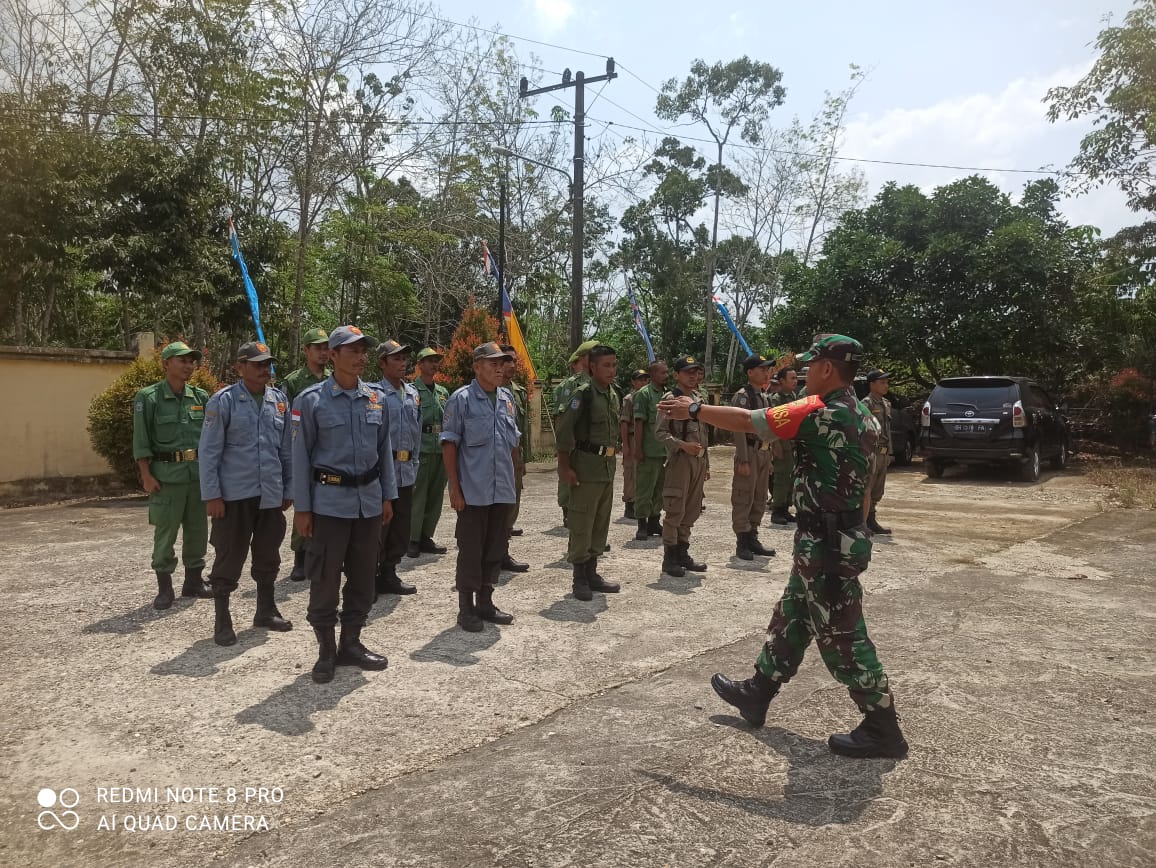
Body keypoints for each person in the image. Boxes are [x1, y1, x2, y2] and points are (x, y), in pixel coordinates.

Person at [658, 334, 907, 759]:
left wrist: (696, 408)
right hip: (834, 536)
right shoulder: (864, 414)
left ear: (827, 369)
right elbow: (864, 486)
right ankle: (759, 690)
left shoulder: (819, 409)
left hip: (827, 542)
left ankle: (882, 726)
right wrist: (858, 531)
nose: (804, 373)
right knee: (794, 613)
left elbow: (752, 420)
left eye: (811, 366)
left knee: (842, 634)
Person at [292, 325, 397, 684]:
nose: (360, 356)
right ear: (333, 356)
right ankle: (326, 650)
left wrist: (387, 496)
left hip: (367, 504)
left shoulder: (376, 399)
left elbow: (383, 451)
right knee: (324, 578)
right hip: (329, 505)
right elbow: (300, 458)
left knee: (364, 577)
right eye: (351, 350)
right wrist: (302, 510)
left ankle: (351, 643)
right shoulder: (310, 400)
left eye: (363, 350)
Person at [198, 341, 294, 646]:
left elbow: (286, 450)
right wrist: (212, 495)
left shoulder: (278, 400)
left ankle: (265, 610)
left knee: (268, 553)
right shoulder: (223, 401)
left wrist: (288, 488)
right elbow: (209, 452)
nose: (264, 369)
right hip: (234, 495)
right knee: (229, 555)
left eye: (267, 364)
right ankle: (222, 619)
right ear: (240, 367)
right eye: (257, 364)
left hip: (269, 494)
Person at [440, 342, 520, 632]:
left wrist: (515, 480)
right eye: (493, 363)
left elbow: (513, 445)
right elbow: (449, 445)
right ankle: (466, 608)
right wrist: (454, 489)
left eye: (503, 363)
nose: (500, 368)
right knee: (471, 550)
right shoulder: (461, 400)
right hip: (473, 492)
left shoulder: (507, 399)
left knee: (495, 548)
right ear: (477, 367)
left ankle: (486, 602)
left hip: (502, 489)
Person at [132, 340, 213, 610]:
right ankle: (164, 588)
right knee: (165, 534)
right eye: (183, 360)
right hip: (166, 477)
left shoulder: (200, 397)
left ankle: (193, 581)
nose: (189, 365)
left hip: (196, 476)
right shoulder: (149, 397)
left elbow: (211, 440)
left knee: (197, 531)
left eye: (192, 361)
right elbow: (141, 439)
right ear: (166, 364)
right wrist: (146, 474)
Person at [555, 345, 622, 601]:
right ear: (592, 367)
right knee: (582, 523)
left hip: (606, 468)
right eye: (606, 365)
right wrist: (564, 467)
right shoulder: (583, 394)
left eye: (614, 365)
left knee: (600, 523)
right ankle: (579, 578)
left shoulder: (613, 394)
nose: (612, 370)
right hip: (585, 466)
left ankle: (593, 573)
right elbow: (564, 432)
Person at [280, 327, 331, 581]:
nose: (323, 352)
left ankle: (324, 555)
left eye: (326, 347)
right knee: (304, 502)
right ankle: (300, 557)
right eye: (317, 347)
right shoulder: (293, 382)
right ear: (306, 350)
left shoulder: (335, 377)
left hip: (330, 451)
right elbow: (287, 420)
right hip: (303, 449)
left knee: (328, 506)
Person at [655, 355, 710, 578]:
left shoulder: (698, 399)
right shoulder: (671, 398)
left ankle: (683, 552)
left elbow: (705, 434)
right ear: (676, 375)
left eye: (695, 371)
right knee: (675, 509)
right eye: (688, 372)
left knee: (692, 509)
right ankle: (670, 558)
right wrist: (682, 445)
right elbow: (659, 433)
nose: (693, 376)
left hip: (698, 460)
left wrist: (707, 464)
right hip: (679, 460)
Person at [375, 340, 421, 596]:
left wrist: (415, 465)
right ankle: (370, 575)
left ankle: (390, 572)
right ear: (382, 363)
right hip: (384, 470)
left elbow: (416, 432)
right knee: (380, 526)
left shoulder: (413, 394)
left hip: (406, 470)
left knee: (401, 526)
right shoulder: (375, 394)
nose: (402, 363)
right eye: (396, 359)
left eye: (404, 358)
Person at [730, 354, 777, 561]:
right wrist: (743, 459)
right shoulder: (743, 396)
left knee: (759, 496)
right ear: (750, 372)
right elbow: (738, 427)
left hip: (763, 450)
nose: (767, 372)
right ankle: (742, 542)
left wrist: (771, 457)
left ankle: (753, 537)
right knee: (744, 496)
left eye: (768, 369)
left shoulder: (765, 396)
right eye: (762, 369)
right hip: (749, 450)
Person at [407, 348, 450, 559]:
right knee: (418, 495)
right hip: (421, 448)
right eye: (429, 361)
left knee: (435, 495)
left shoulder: (442, 392)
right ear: (420, 364)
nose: (434, 364)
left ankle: (426, 536)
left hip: (440, 448)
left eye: (436, 361)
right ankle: (412, 538)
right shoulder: (412, 391)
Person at [551, 339, 599, 527]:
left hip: (595, 446)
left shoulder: (602, 382)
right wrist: (565, 447)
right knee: (570, 480)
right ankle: (569, 513)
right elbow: (563, 420)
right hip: (574, 444)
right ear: (583, 359)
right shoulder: (570, 385)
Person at [500, 344, 530, 573]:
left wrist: (523, 459)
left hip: (515, 457)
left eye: (513, 360)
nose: (512, 364)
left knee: (512, 505)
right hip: (495, 459)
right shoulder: (491, 389)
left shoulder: (517, 391)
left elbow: (523, 427)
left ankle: (502, 551)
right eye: (507, 360)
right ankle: (491, 552)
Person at [631, 359, 669, 541]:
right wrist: (637, 449)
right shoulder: (643, 395)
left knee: (659, 489)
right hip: (648, 450)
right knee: (645, 489)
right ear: (653, 375)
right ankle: (642, 525)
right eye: (662, 373)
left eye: (667, 372)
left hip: (664, 451)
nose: (666, 376)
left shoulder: (668, 395)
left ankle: (654, 521)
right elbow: (639, 424)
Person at [768, 368, 801, 525]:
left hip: (793, 443)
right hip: (782, 443)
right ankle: (777, 510)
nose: (795, 381)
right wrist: (775, 444)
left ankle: (786, 507)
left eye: (796, 378)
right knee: (781, 477)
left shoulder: (794, 397)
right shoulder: (776, 399)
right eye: (792, 378)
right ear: (781, 381)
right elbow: (773, 424)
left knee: (791, 477)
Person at [862, 370, 893, 535]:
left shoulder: (886, 404)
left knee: (878, 489)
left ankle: (871, 519)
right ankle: (863, 521)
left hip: (883, 452)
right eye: (882, 382)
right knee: (867, 487)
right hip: (872, 451)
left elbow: (887, 430)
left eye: (887, 382)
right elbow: (864, 431)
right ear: (872, 384)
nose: (885, 385)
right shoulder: (866, 404)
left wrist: (890, 453)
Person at [619, 369, 650, 519]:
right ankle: (629, 504)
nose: (643, 382)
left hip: (646, 439)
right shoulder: (629, 399)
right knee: (630, 472)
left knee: (644, 473)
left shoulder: (649, 397)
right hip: (632, 438)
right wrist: (625, 444)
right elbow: (624, 423)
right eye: (640, 379)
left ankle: (643, 504)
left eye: (645, 379)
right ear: (633, 382)